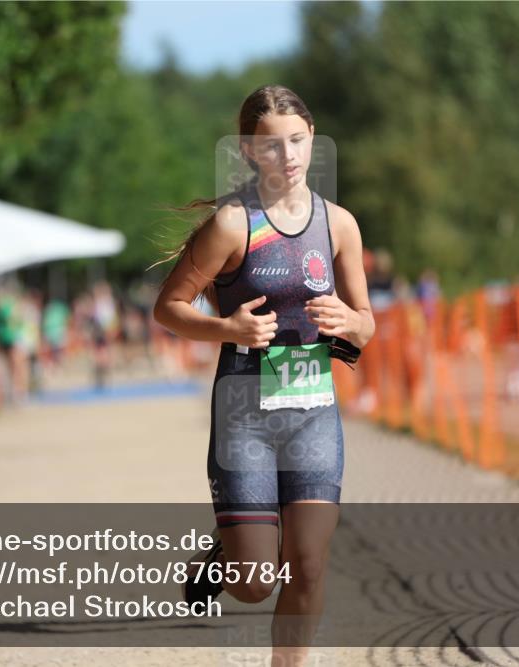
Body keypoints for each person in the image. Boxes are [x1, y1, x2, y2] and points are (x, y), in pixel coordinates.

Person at [152, 85, 374, 665]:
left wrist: (351, 320)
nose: (288, 157)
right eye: (271, 147)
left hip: (314, 412)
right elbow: (168, 308)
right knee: (254, 580)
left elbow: (367, 326)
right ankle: (221, 559)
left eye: (297, 141)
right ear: (250, 152)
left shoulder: (340, 225)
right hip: (243, 416)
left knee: (309, 563)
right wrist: (230, 329)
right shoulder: (232, 224)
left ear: (312, 137)